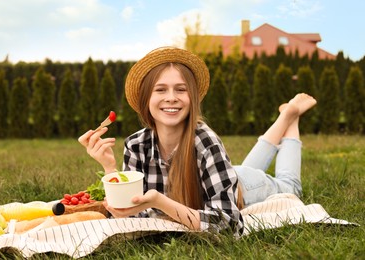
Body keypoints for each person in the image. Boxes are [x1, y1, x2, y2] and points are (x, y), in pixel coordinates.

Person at [78, 46, 316, 236]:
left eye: (180, 90)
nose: (171, 98)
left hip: (246, 188)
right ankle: (286, 116)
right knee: (247, 167)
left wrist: (161, 202)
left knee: (290, 188)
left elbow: (230, 225)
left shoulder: (205, 142)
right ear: (146, 99)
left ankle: (290, 118)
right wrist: (110, 169)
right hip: (226, 173)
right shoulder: (136, 145)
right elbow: (133, 216)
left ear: (191, 97)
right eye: (160, 90)